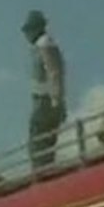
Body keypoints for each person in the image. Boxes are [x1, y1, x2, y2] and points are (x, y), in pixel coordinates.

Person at [22, 10, 66, 171]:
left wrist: (56, 100)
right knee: (43, 142)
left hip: (45, 100)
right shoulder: (42, 45)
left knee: (38, 143)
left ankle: (43, 173)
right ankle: (44, 170)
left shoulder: (44, 44)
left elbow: (54, 72)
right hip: (46, 99)